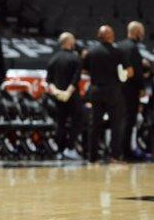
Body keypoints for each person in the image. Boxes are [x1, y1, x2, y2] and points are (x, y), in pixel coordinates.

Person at [83, 25, 133, 163]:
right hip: (113, 91)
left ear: (99, 36)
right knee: (116, 124)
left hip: (96, 90)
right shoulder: (118, 52)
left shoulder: (91, 52)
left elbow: (84, 71)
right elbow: (129, 71)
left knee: (95, 124)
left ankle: (92, 157)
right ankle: (115, 156)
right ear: (111, 36)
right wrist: (122, 75)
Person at [46, 32, 82, 160]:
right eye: (73, 41)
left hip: (57, 96)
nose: (74, 43)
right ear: (68, 42)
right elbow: (76, 79)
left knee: (60, 123)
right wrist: (67, 92)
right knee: (76, 122)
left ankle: (59, 151)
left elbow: (48, 80)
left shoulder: (53, 59)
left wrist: (56, 92)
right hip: (71, 96)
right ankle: (70, 148)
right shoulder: (75, 58)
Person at [118, 21, 146, 159]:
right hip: (131, 90)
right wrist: (141, 88)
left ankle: (120, 151)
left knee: (122, 121)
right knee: (129, 122)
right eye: (142, 31)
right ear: (136, 32)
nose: (143, 34)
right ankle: (126, 152)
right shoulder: (132, 48)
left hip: (119, 89)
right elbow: (135, 71)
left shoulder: (120, 46)